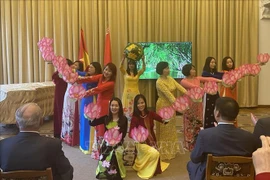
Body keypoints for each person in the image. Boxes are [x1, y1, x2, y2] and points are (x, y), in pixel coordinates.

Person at [187, 97, 257, 180]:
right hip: (240, 176)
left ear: (217, 113)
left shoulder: (205, 135)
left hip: (213, 176)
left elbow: (195, 158)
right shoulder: (249, 136)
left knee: (191, 164)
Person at [0, 103, 73, 180]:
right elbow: (67, 172)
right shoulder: (53, 145)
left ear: (17, 124)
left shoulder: (3, 145)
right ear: (41, 122)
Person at [76, 62, 117, 154]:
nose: (106, 72)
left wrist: (83, 93)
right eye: (106, 69)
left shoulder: (111, 83)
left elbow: (97, 89)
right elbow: (90, 78)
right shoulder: (101, 76)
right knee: (97, 126)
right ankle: (98, 148)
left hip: (105, 105)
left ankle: (103, 149)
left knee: (102, 126)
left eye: (109, 71)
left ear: (113, 74)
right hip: (99, 104)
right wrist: (78, 79)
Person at [180, 63, 222, 151]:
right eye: (192, 69)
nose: (194, 71)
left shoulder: (198, 78)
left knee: (198, 123)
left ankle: (198, 143)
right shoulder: (183, 81)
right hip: (189, 105)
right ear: (187, 70)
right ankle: (189, 144)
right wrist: (205, 90)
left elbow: (209, 79)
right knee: (189, 124)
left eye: (194, 69)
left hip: (198, 104)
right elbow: (194, 87)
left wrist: (220, 81)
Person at [129, 94, 169, 179]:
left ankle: (153, 168)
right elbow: (130, 133)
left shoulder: (150, 113)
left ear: (145, 103)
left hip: (152, 140)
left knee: (155, 153)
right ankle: (145, 168)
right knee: (154, 153)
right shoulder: (135, 118)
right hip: (141, 143)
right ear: (136, 105)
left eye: (142, 102)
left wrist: (164, 120)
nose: (141, 105)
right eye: (138, 103)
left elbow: (158, 118)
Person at [89, 97, 128, 180]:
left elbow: (123, 134)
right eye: (112, 105)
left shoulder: (124, 119)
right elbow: (93, 123)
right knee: (106, 154)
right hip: (106, 143)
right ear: (110, 107)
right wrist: (91, 115)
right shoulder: (106, 118)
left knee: (115, 153)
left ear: (120, 107)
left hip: (118, 143)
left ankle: (114, 173)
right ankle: (105, 171)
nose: (114, 107)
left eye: (116, 106)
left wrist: (115, 143)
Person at [155, 61, 187, 160]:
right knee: (165, 128)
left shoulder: (170, 78)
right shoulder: (159, 82)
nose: (168, 70)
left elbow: (180, 87)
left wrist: (189, 94)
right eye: (166, 68)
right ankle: (164, 151)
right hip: (163, 106)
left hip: (171, 106)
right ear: (161, 70)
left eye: (168, 68)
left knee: (171, 127)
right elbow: (169, 96)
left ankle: (172, 149)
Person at [77, 62, 102, 154]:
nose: (89, 68)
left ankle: (90, 145)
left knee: (90, 123)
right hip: (84, 100)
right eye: (89, 67)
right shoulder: (86, 75)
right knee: (83, 121)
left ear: (97, 69)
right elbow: (78, 72)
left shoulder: (97, 77)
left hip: (92, 100)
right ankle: (83, 144)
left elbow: (85, 79)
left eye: (92, 67)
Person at [61, 60, 83, 146]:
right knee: (67, 114)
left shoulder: (81, 75)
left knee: (74, 115)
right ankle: (66, 135)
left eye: (76, 65)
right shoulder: (67, 74)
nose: (74, 66)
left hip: (76, 97)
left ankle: (75, 136)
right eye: (73, 64)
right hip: (67, 96)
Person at [120, 54, 146, 120]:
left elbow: (143, 69)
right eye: (130, 64)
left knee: (136, 105)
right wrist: (123, 59)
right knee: (126, 106)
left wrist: (143, 60)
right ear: (128, 65)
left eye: (133, 64)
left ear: (135, 66)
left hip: (135, 92)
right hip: (127, 93)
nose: (131, 65)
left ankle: (136, 120)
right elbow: (120, 67)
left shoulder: (137, 73)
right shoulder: (125, 73)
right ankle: (126, 122)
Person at [52, 59, 73, 138]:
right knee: (59, 109)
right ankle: (58, 131)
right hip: (59, 93)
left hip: (68, 93)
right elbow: (54, 78)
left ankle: (67, 131)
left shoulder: (71, 72)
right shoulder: (58, 72)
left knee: (67, 111)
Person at [201, 57, 224, 129]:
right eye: (211, 62)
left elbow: (220, 75)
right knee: (208, 110)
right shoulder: (205, 73)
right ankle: (207, 127)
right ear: (208, 63)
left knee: (216, 109)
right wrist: (219, 77)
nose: (213, 64)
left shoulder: (216, 73)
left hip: (215, 93)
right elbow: (214, 77)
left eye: (214, 62)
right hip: (207, 94)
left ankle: (216, 125)